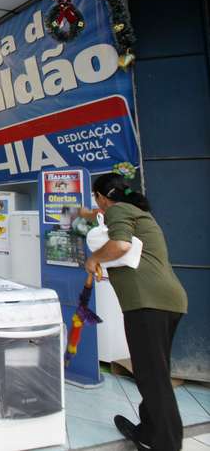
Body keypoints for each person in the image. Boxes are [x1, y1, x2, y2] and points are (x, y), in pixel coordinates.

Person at [81, 173, 188, 451]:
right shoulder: (137, 211)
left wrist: (94, 259)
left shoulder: (118, 210)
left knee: (153, 377)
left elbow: (121, 244)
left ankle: (167, 444)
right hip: (168, 300)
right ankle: (149, 432)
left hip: (147, 303)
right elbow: (102, 222)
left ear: (101, 197)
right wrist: (84, 214)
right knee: (154, 372)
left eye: (96, 199)